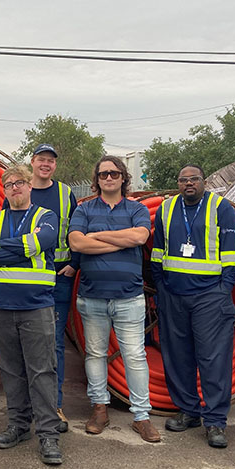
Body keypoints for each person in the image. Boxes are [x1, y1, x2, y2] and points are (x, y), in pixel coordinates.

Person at [68, 156, 160, 443]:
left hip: (129, 298)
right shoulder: (84, 209)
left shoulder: (136, 208)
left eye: (114, 173)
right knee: (95, 355)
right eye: (104, 174)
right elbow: (76, 243)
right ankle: (99, 408)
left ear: (123, 178)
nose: (109, 178)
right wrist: (118, 238)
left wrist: (98, 236)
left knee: (135, 356)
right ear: (96, 179)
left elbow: (140, 237)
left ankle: (141, 417)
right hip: (92, 297)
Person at [151, 165, 235, 448]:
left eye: (194, 179)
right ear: (177, 183)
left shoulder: (220, 208)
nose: (188, 183)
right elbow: (157, 251)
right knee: (178, 356)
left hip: (209, 296)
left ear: (204, 182)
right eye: (183, 180)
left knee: (213, 359)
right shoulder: (166, 209)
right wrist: (161, 287)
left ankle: (215, 421)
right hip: (174, 294)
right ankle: (188, 411)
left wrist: (223, 290)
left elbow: (231, 254)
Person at [0, 165, 63, 465]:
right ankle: (18, 425)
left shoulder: (46, 217)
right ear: (4, 190)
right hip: (0, 308)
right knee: (12, 372)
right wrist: (22, 247)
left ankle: (48, 434)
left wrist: (2, 247)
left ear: (30, 186)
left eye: (20, 183)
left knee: (42, 372)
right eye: (9, 184)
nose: (15, 188)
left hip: (36, 307)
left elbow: (42, 242)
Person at [6, 144, 78, 432]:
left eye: (51, 161)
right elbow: (4, 232)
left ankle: (54, 406)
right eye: (41, 160)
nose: (46, 165)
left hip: (58, 276)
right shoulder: (18, 190)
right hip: (22, 278)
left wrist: (75, 262)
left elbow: (76, 230)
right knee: (19, 346)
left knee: (53, 345)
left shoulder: (64, 194)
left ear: (54, 166)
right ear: (32, 163)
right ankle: (25, 410)